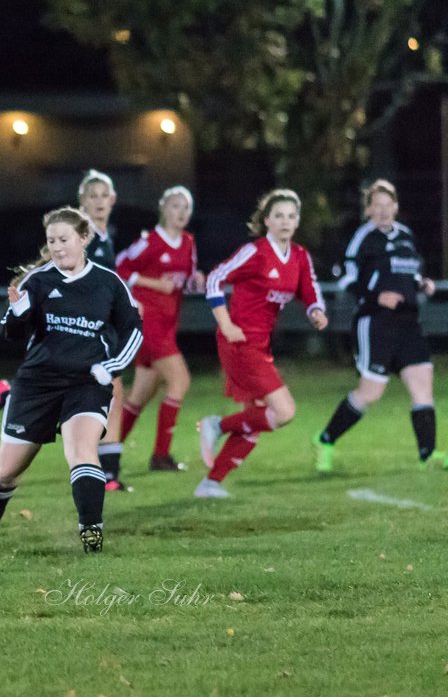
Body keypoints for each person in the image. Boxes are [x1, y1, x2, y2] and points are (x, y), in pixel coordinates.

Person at [0, 206, 142, 554]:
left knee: (81, 450)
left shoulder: (108, 283)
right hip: (37, 385)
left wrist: (112, 367)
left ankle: (91, 532)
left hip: (86, 383)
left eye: (64, 239)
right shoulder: (39, 281)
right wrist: (18, 313)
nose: (58, 247)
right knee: (3, 474)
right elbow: (11, 332)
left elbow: (132, 328)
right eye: (51, 241)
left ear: (83, 238)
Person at [0, 169, 134, 491]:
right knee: (111, 388)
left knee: (114, 389)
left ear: (113, 200)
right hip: (77, 339)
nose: (99, 202)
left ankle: (7, 395)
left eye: (104, 196)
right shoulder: (81, 242)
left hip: (98, 330)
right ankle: (110, 474)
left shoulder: (105, 238)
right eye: (93, 196)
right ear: (82, 202)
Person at [194, 188, 328, 498]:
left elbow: (310, 289)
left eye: (291, 216)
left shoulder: (299, 256)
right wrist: (225, 323)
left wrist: (316, 311)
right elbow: (215, 278)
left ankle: (210, 483)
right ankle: (217, 424)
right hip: (239, 342)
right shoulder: (255, 252)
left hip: (261, 344)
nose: (285, 221)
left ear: (297, 221)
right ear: (266, 220)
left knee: (253, 422)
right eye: (278, 215)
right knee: (284, 412)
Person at [314, 179, 443, 471]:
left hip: (408, 322)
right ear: (369, 209)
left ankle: (427, 454)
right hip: (375, 322)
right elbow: (347, 279)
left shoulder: (406, 236)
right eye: (377, 206)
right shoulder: (364, 238)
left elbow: (412, 273)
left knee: (423, 385)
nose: (383, 211)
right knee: (371, 392)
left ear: (396, 207)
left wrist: (423, 284)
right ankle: (325, 439)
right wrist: (377, 296)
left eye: (389, 205)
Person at [115, 186, 205, 471]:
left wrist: (196, 282)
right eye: (176, 206)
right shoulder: (150, 241)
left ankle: (107, 455)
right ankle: (160, 455)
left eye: (186, 208)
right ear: (164, 208)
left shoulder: (189, 242)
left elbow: (185, 281)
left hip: (167, 325)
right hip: (147, 324)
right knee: (181, 381)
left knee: (140, 395)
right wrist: (153, 284)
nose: (182, 213)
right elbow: (120, 268)